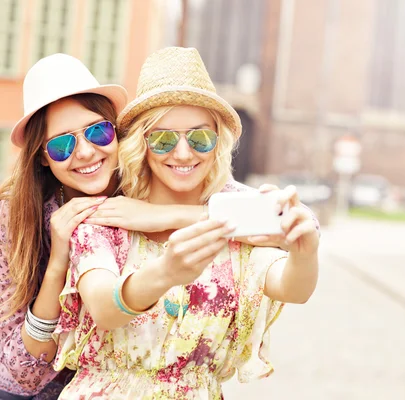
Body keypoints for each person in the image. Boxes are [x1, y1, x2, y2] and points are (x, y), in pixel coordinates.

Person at [0, 53, 308, 399]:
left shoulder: (149, 181)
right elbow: (18, 373)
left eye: (98, 131)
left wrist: (162, 215)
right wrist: (59, 259)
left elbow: (285, 221)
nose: (85, 152)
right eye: (62, 144)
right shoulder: (16, 217)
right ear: (42, 155)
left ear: (119, 135)